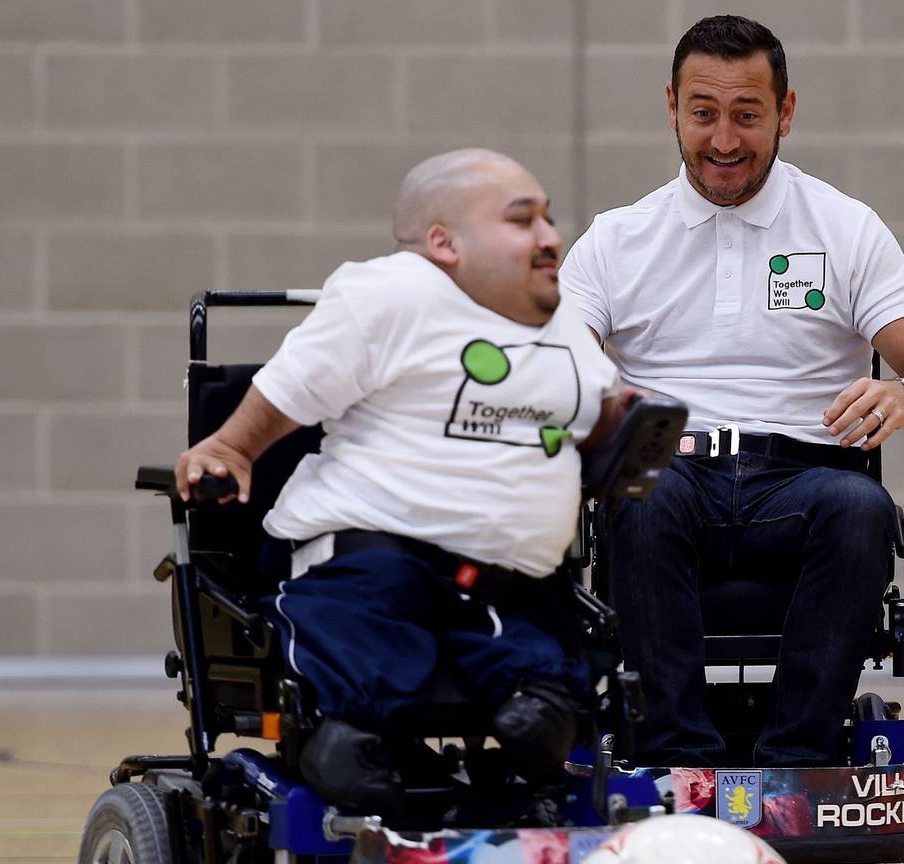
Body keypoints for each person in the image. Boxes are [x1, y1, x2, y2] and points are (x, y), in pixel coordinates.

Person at [559, 15, 904, 767]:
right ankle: (676, 761)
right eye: (704, 113)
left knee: (861, 508)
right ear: (672, 107)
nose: (724, 140)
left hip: (807, 478)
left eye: (747, 115)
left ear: (785, 112)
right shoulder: (616, 240)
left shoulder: (846, 229)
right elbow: (557, 364)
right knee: (638, 497)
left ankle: (800, 762)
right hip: (670, 469)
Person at [175, 148, 623, 809]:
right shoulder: (391, 293)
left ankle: (542, 705)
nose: (551, 237)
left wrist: (628, 426)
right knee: (367, 612)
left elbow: (597, 418)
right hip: (377, 556)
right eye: (523, 221)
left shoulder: (560, 322)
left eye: (550, 220)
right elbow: (292, 388)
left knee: (551, 645)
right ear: (443, 242)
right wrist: (231, 445)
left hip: (503, 579)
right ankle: (349, 730)